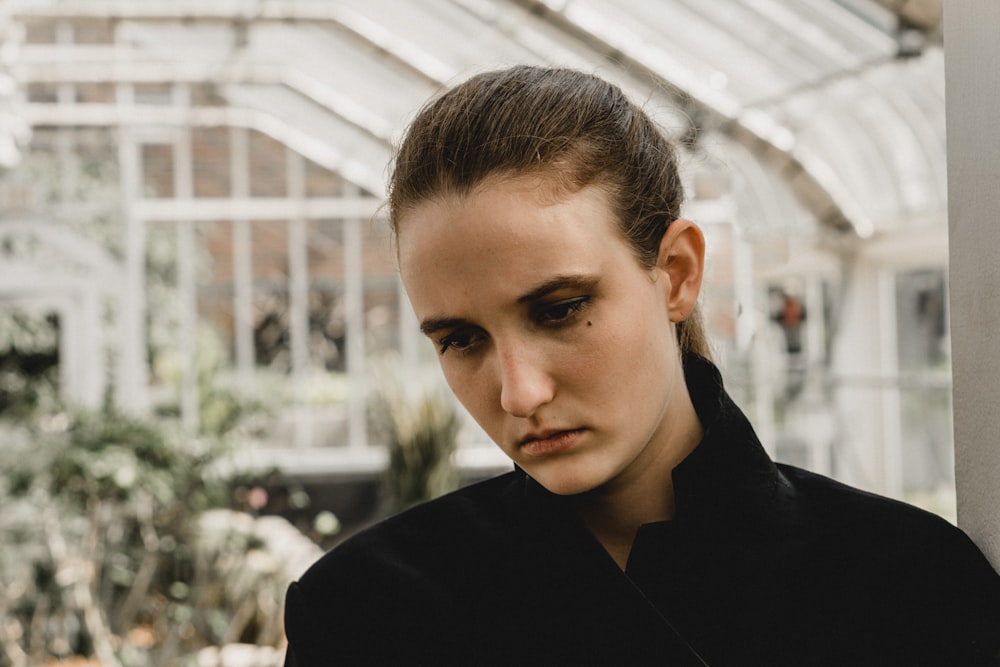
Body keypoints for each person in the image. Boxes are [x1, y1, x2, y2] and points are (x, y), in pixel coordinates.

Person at [283, 65, 1000, 666]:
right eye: (460, 339)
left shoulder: (909, 585)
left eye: (559, 308)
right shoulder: (365, 613)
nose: (520, 391)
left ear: (677, 274)